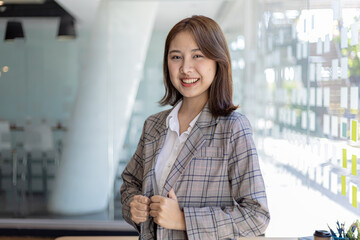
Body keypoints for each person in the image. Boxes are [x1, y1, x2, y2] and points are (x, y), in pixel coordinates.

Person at [120, 15, 270, 240]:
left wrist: (182, 219)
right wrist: (133, 205)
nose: (185, 68)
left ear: (217, 61)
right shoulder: (153, 125)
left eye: (197, 55)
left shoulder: (233, 128)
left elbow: (256, 216)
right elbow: (130, 182)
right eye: (176, 57)